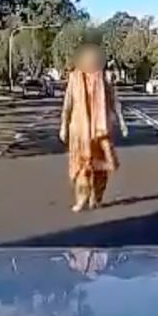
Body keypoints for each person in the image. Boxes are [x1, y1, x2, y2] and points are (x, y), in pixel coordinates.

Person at [58, 43, 128, 212]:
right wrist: (63, 126)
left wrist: (122, 121)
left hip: (101, 130)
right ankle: (81, 199)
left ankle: (96, 197)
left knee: (102, 168)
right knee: (81, 168)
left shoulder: (103, 78)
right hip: (80, 132)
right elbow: (67, 104)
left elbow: (114, 102)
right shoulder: (74, 78)